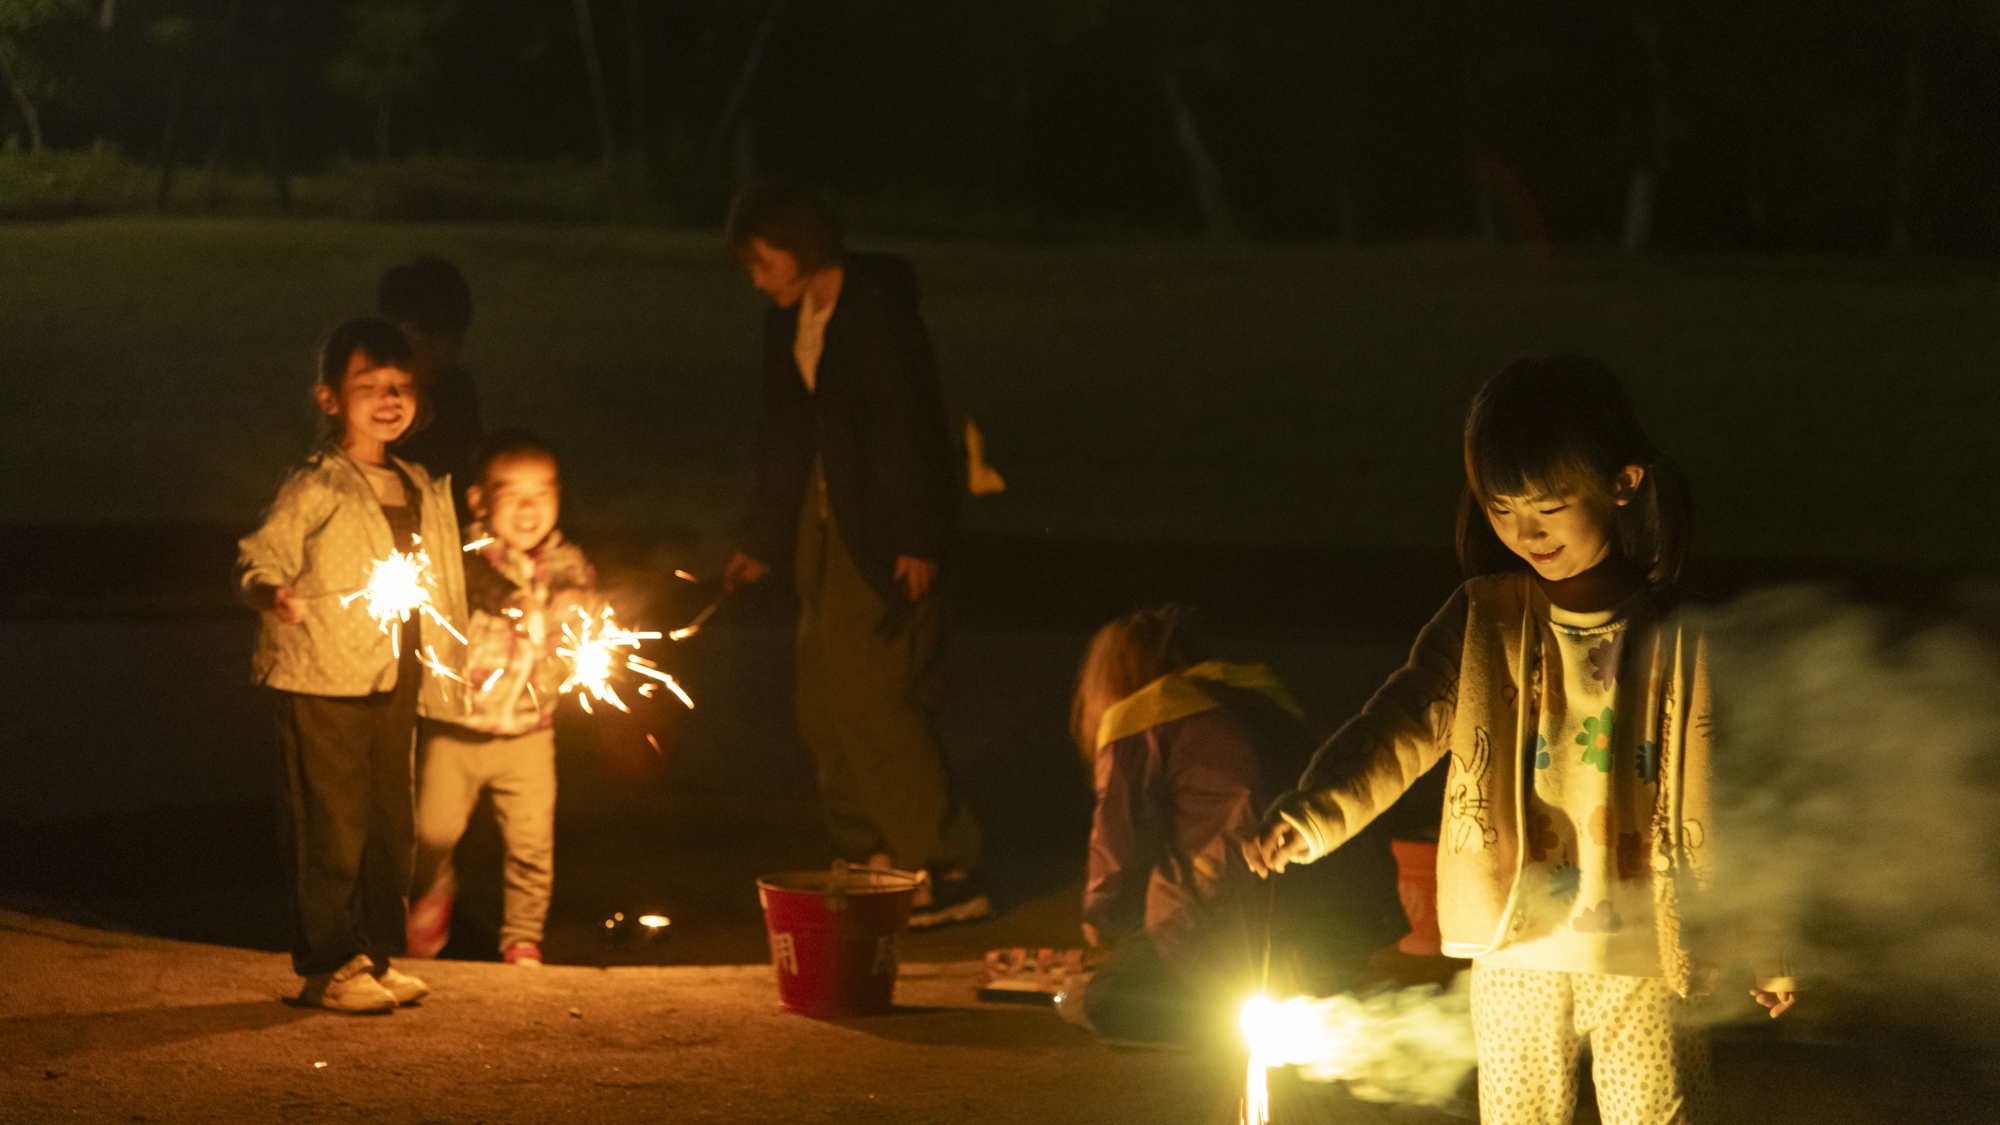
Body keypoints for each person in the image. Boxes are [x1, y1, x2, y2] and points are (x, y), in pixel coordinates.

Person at [1245, 355, 1796, 1124]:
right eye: (1501, 508)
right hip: (1515, 951)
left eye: (1547, 506)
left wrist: (1765, 942)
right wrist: (1314, 812)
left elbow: (1735, 790)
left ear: (1624, 481)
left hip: (1644, 957)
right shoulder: (1484, 621)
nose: (1523, 531)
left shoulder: (1680, 636)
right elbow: (1400, 723)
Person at [718, 182, 983, 926]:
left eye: (763, 260)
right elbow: (781, 434)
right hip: (820, 523)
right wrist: (760, 541)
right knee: (823, 699)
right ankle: (872, 847)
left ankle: (945, 862)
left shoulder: (876, 312)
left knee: (876, 700)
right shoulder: (788, 321)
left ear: (799, 247)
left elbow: (911, 429)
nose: (757, 277)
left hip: (880, 527)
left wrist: (919, 538)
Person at [237, 318, 470, 1012]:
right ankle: (328, 962)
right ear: (330, 398)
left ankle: (373, 952)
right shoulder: (318, 484)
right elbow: (259, 554)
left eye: (400, 386)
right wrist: (269, 592)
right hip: (321, 676)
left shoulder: (419, 483)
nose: (389, 399)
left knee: (388, 822)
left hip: (392, 674)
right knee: (330, 824)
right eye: (369, 386)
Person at [1066, 606, 1407, 1045]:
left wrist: (1103, 923)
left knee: (1097, 999)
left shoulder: (1136, 720)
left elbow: (1120, 846)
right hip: (1329, 920)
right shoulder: (1258, 698)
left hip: (1226, 923)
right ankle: (1302, 1000)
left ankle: (1220, 1022)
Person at [406, 431, 597, 968]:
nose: (531, 508)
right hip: (456, 730)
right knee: (431, 834)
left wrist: (575, 604)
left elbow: (580, 593)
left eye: (545, 492)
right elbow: (470, 580)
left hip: (530, 735)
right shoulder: (463, 552)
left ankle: (522, 940)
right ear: (479, 500)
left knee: (532, 845)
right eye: (513, 493)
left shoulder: (565, 562)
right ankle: (430, 894)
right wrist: (515, 603)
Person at [381, 256, 482, 521]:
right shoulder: (376, 399)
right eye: (428, 339)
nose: (444, 352)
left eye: (454, 339)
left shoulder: (457, 391)